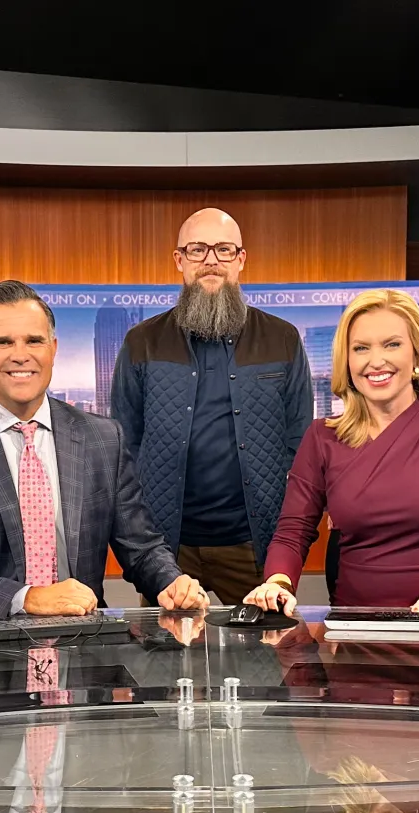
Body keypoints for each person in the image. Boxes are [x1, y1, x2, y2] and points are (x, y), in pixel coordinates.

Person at [0, 280, 207, 616]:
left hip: (83, 641)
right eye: (2, 342)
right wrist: (25, 598)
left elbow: (142, 548)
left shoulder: (103, 438)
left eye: (34, 341)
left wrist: (171, 581)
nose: (20, 355)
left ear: (53, 349)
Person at [243, 289, 419, 616]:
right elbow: (293, 533)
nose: (376, 361)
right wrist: (278, 582)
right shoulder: (322, 438)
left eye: (392, 344)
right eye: (361, 348)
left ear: (416, 354)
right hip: (359, 625)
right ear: (347, 361)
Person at [110, 208, 314, 604]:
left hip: (254, 547)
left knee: (267, 660)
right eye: (198, 249)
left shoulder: (282, 339)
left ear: (240, 260)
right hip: (169, 550)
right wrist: (145, 543)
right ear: (179, 260)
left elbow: (300, 442)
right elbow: (124, 446)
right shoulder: (142, 342)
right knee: (166, 660)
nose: (211, 261)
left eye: (223, 249)